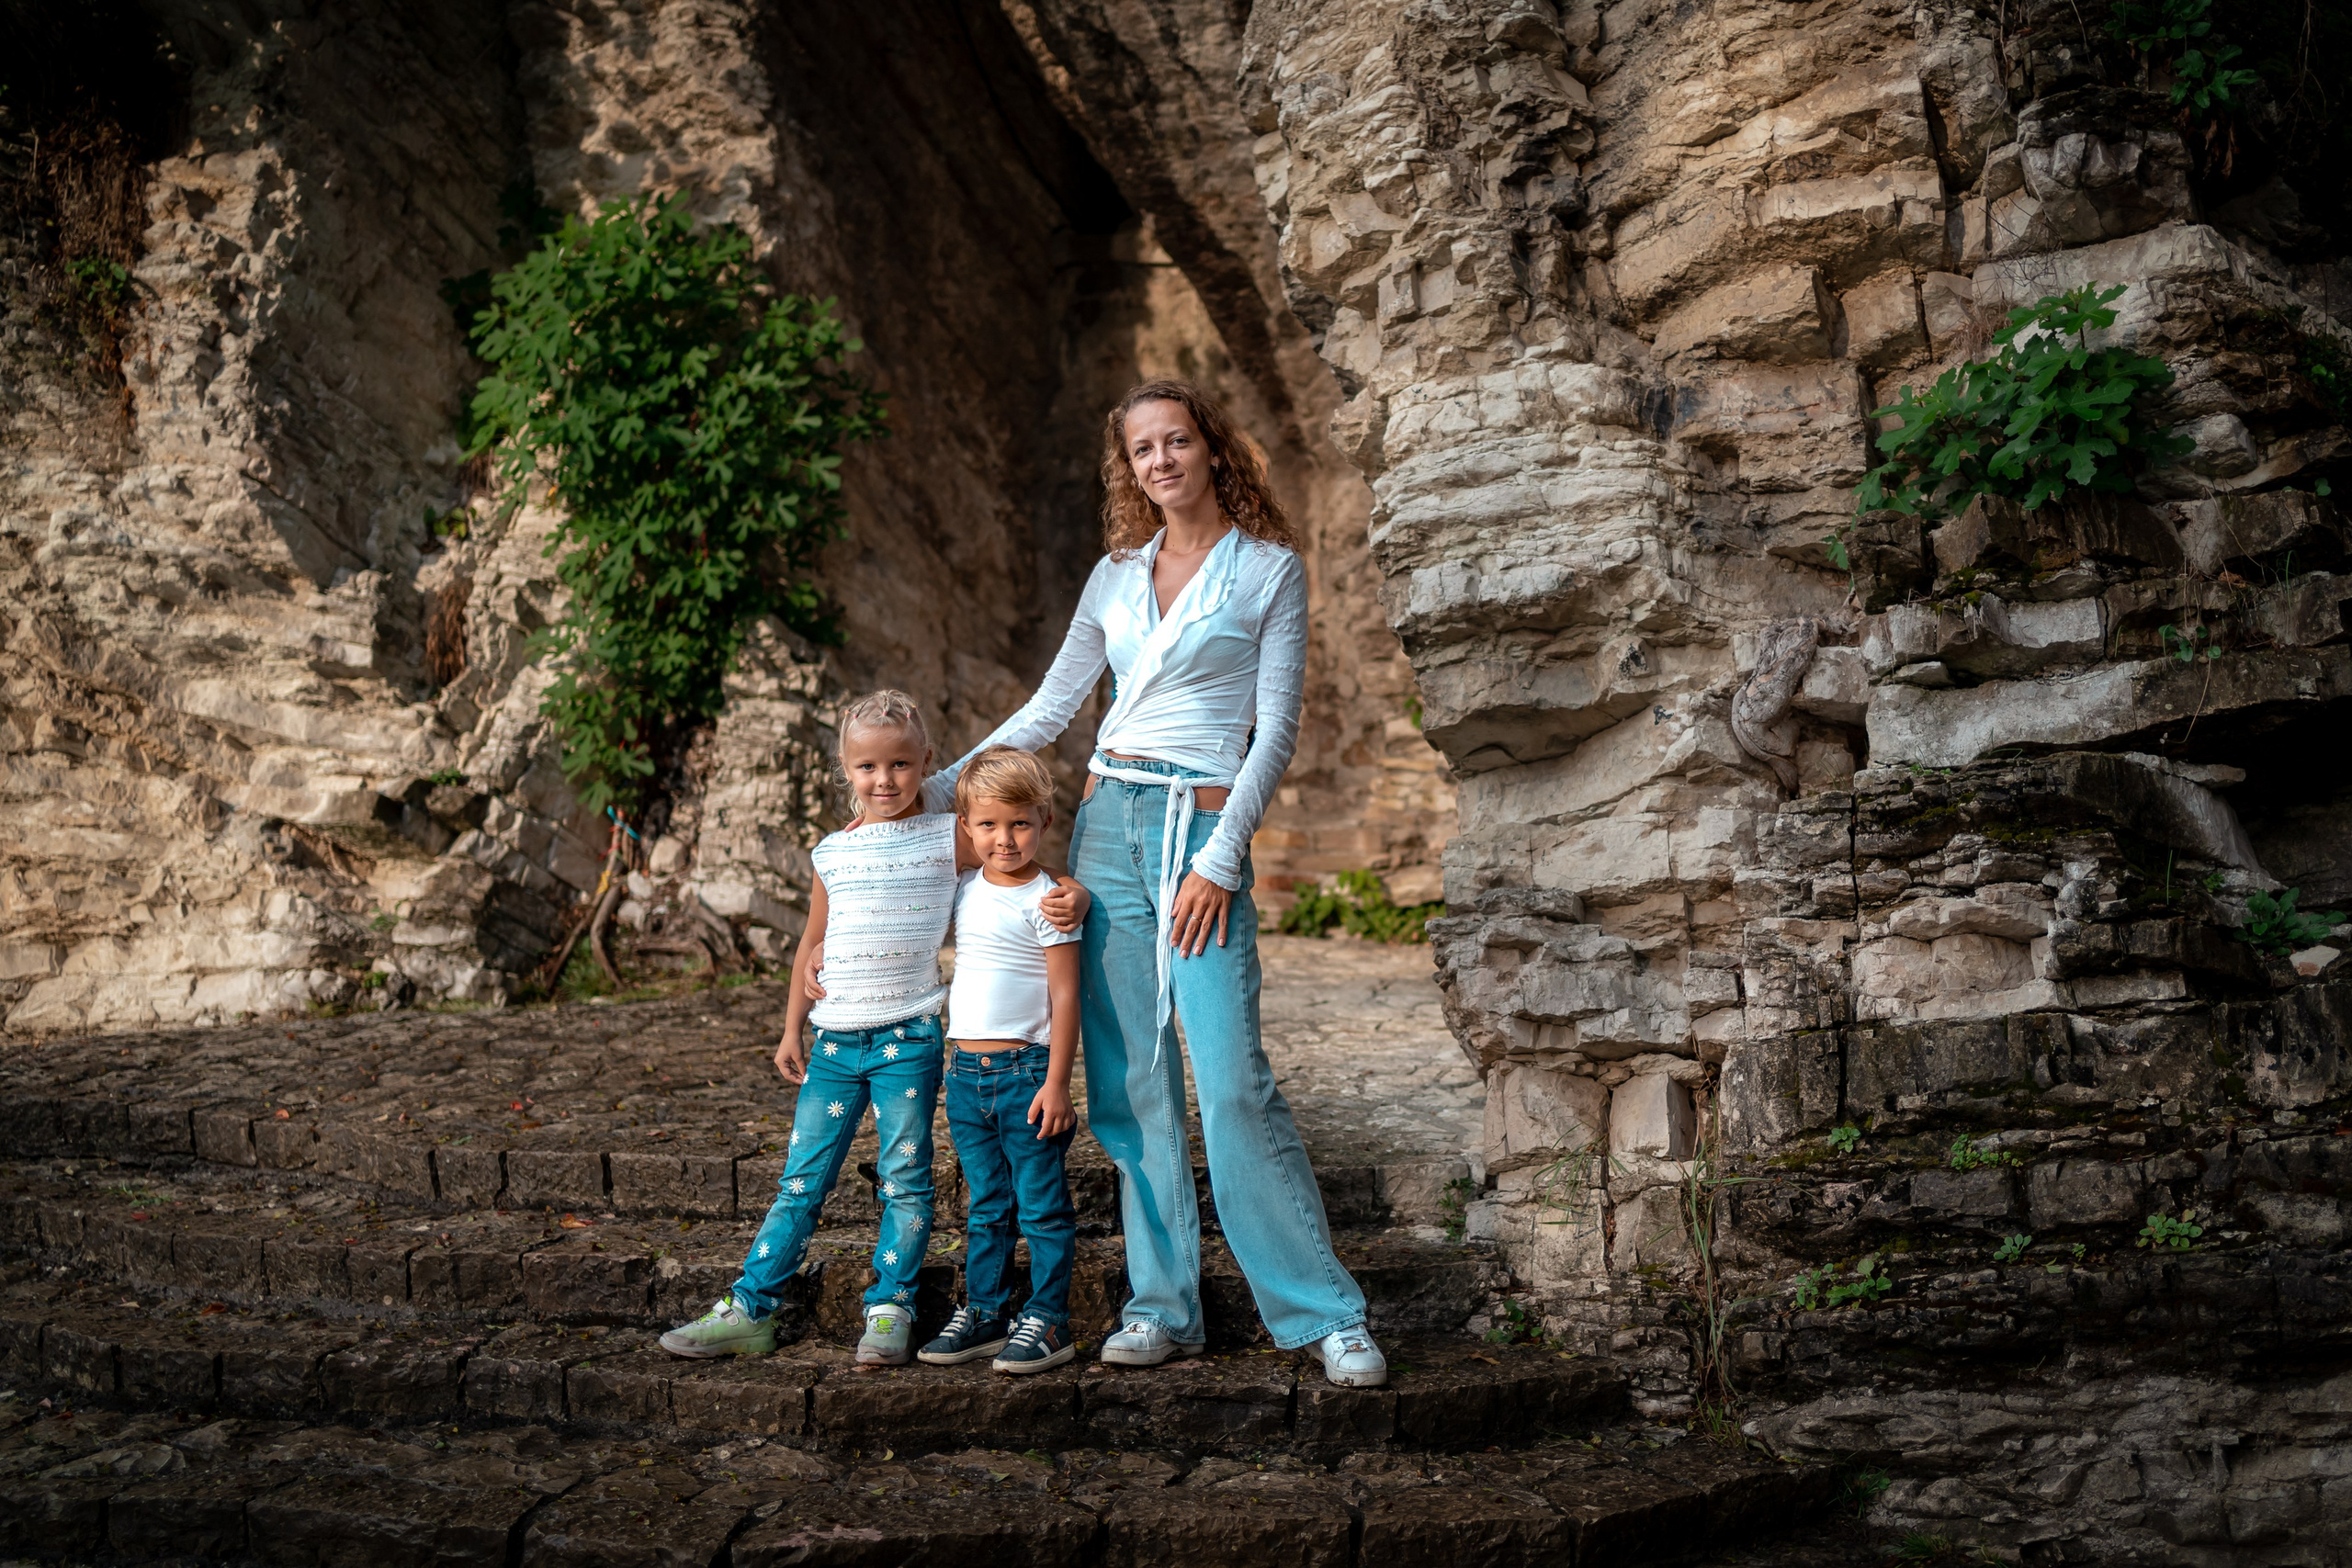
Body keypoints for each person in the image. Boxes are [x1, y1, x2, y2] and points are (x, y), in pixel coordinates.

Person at [933, 379, 1387, 1388]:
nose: (1162, 461)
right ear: (1129, 469)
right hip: (1105, 829)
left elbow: (1275, 729)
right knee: (1134, 1087)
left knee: (1230, 1080)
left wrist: (1221, 859)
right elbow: (1051, 709)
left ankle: (1322, 1313)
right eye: (1142, 450)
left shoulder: (1268, 571)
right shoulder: (1114, 576)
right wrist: (928, 794)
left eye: (1177, 441)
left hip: (1198, 831)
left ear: (1211, 450)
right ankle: (1160, 1307)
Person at [657, 692, 1082, 1366]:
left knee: (906, 1177)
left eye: (900, 764)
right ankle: (752, 1305)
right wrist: (791, 1026)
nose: (884, 780)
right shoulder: (832, 852)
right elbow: (811, 940)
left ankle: (891, 1306)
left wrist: (1074, 892)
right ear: (845, 769)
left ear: (927, 765)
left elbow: (1017, 863)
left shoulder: (950, 836)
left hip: (908, 1038)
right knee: (801, 1178)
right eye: (867, 766)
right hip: (832, 1042)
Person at [915, 746, 1083, 1374]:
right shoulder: (962, 888)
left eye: (1018, 823)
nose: (1004, 839)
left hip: (1027, 1076)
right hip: (965, 1077)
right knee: (986, 1204)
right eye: (987, 824)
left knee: (1040, 1205)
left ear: (1043, 820)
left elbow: (1066, 994)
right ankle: (985, 1311)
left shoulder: (1050, 900)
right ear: (967, 828)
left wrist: (1059, 1082)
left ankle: (1049, 1319)